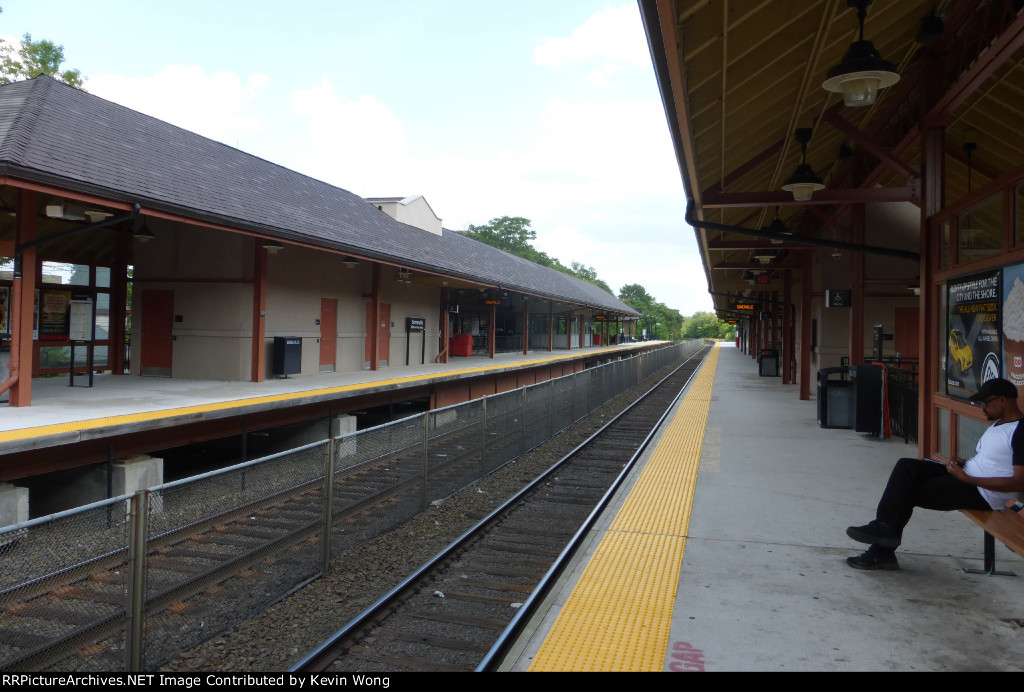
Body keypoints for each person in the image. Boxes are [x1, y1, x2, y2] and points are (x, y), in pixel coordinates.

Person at [846, 378, 1024, 570]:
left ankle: (882, 549)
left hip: (983, 494)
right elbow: (992, 462)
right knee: (906, 467)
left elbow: (1018, 483)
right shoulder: (998, 425)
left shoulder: (1020, 431)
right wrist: (963, 463)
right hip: (967, 477)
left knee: (907, 492)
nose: (982, 408)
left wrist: (967, 478)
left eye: (986, 403)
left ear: (1003, 400)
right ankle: (883, 529)